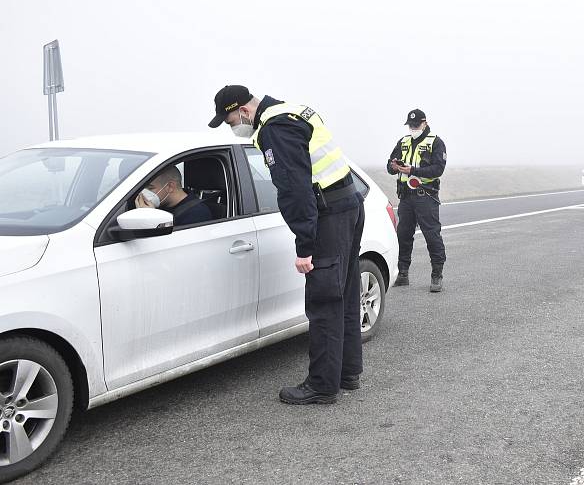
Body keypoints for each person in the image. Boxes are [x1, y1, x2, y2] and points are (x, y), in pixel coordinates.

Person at [209, 84, 364, 405]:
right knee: (345, 294)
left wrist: (304, 247)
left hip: (328, 217)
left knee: (323, 302)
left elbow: (295, 191)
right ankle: (346, 372)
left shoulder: (275, 130)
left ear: (243, 111)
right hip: (349, 205)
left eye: (229, 121)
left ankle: (322, 386)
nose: (232, 127)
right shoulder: (293, 110)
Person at [387, 108, 447, 292]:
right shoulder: (403, 142)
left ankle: (437, 274)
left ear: (425, 123)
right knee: (403, 236)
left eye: (416, 125)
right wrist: (395, 166)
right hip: (405, 197)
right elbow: (390, 166)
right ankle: (403, 273)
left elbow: (438, 169)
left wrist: (412, 171)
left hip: (425, 196)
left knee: (432, 235)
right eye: (410, 125)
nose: (413, 128)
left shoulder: (435, 142)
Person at [135, 165, 212, 226]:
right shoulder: (161, 204)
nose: (143, 192)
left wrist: (152, 218)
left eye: (150, 188)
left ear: (170, 187)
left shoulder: (197, 213)